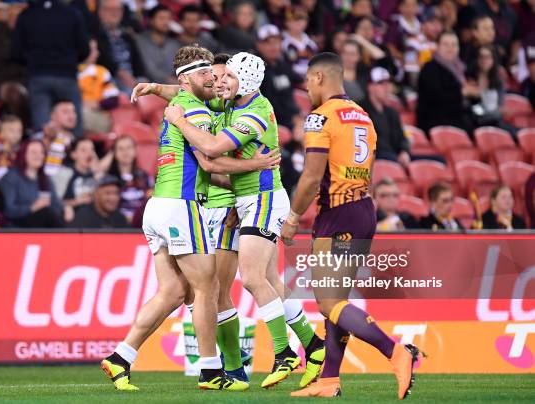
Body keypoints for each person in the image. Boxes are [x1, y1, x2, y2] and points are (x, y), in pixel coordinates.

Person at [101, 46, 277, 392]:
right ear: (186, 79)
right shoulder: (192, 112)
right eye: (205, 74)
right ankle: (211, 370)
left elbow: (186, 93)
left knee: (172, 291)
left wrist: (154, 88)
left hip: (158, 206)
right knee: (207, 288)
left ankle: (120, 357)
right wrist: (255, 165)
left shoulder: (188, 100)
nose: (213, 79)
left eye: (214, 73)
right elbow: (210, 156)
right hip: (181, 206)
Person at [163, 51, 325, 390]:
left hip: (264, 200)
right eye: (219, 77)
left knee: (250, 278)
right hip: (248, 201)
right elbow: (194, 95)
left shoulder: (254, 114)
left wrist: (179, 121)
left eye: (227, 78)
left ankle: (284, 353)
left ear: (245, 82)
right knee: (270, 282)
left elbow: (211, 148)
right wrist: (155, 88)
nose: (219, 83)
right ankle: (313, 344)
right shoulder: (234, 104)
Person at [280, 52, 422, 399]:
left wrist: (295, 216)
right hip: (363, 208)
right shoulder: (363, 116)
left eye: (307, 83)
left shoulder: (320, 118)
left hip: (338, 213)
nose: (306, 90)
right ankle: (329, 380)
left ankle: (396, 352)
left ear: (318, 78)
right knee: (338, 302)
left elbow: (312, 176)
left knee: (329, 303)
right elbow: (368, 172)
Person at [11, 0, 90, 137]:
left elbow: (16, 52)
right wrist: (69, 61)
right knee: (74, 128)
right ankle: (75, 153)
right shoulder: (71, 14)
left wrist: (33, 63)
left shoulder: (27, 15)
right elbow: (85, 50)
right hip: (66, 76)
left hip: (38, 77)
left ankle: (43, 155)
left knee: (42, 131)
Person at [417, 31, 477, 134]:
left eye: (454, 45)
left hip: (460, 119)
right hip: (437, 121)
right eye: (446, 44)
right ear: (438, 47)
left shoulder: (461, 68)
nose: (450, 48)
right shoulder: (430, 68)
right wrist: (462, 92)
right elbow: (435, 98)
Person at [0, 140, 64, 228]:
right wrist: (32, 207)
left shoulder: (45, 178)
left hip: (44, 223)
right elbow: (8, 209)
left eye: (41, 152)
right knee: (46, 214)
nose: (39, 156)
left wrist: (66, 208)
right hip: (18, 225)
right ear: (23, 154)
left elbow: (56, 205)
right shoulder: (11, 177)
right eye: (34, 152)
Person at [361, 67, 410, 167]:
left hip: (394, 155)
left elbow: (402, 138)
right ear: (370, 87)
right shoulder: (360, 111)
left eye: (388, 83)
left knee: (437, 160)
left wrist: (404, 151)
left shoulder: (391, 112)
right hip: (376, 157)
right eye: (382, 84)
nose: (387, 87)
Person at [257, 24, 303, 130]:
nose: (274, 47)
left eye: (276, 42)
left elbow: (291, 93)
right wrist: (291, 119)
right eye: (268, 43)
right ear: (259, 45)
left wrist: (297, 115)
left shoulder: (283, 66)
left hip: (291, 119)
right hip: (270, 123)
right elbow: (267, 104)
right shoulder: (256, 69)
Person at [95, 0, 144, 93]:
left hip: (132, 80)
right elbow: (102, 60)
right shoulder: (94, 34)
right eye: (110, 9)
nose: (115, 13)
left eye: (118, 9)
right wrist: (120, 73)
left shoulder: (127, 35)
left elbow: (138, 63)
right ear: (100, 12)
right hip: (108, 81)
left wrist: (142, 78)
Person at [106, 135, 153, 227]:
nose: (125, 152)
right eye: (120, 148)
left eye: (129, 147)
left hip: (142, 224)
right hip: (116, 225)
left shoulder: (145, 177)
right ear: (114, 153)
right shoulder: (108, 179)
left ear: (135, 151)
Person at [466, 44, 514, 133]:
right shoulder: (469, 79)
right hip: (476, 124)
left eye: (488, 57)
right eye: (481, 57)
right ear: (477, 59)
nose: (484, 60)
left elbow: (500, 107)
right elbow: (473, 110)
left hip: (495, 122)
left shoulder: (498, 82)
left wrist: (498, 112)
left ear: (493, 60)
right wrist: (497, 112)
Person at [78, 39, 120, 134]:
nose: (97, 53)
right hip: (75, 114)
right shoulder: (70, 72)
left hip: (98, 115)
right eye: (93, 49)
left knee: (81, 114)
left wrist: (96, 104)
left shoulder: (101, 72)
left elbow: (114, 100)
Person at [33, 100, 77, 184]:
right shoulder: (40, 135)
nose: (71, 116)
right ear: (53, 115)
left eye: (73, 112)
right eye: (65, 112)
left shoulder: (74, 138)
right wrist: (49, 139)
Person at [135, 5, 180, 84]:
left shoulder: (173, 43)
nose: (166, 22)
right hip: (149, 86)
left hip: (174, 86)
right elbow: (149, 70)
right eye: (161, 18)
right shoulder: (140, 41)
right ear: (151, 20)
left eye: (168, 19)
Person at [63, 138, 101, 222]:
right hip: (73, 220)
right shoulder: (64, 173)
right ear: (73, 154)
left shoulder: (97, 175)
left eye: (92, 150)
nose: (89, 154)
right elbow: (54, 202)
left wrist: (97, 175)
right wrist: (76, 202)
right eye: (84, 150)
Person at [282, 5, 318, 81]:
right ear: (286, 22)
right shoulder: (282, 43)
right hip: (293, 82)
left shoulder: (311, 44)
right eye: (294, 19)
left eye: (302, 19)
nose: (298, 22)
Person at [0, 115, 23, 181]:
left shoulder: (21, 150)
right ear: (0, 134)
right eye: (11, 130)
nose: (16, 134)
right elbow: (0, 175)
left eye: (19, 131)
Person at [340, 39, 369, 104]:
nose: (348, 57)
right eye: (345, 53)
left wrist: (361, 39)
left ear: (359, 56)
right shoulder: (333, 76)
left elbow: (383, 59)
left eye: (352, 54)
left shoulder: (365, 76)